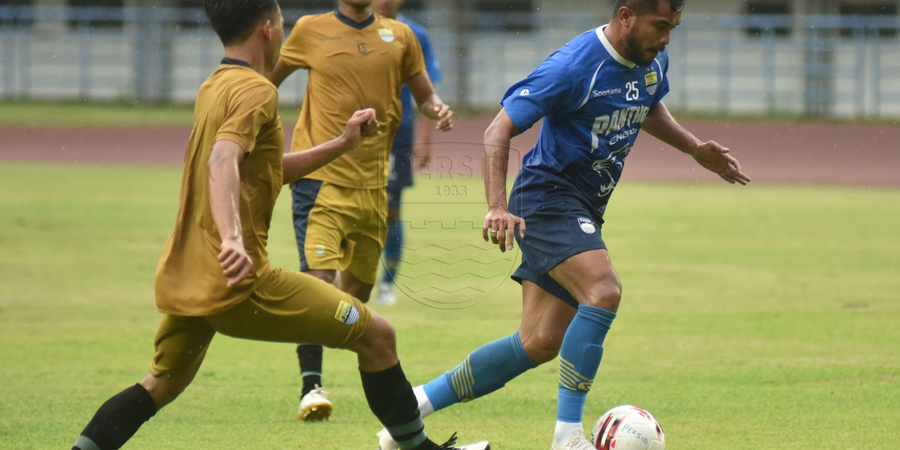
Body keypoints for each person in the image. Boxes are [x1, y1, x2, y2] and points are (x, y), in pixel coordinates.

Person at [70, 2, 474, 449]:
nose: (283, 28)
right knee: (377, 334)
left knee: (158, 386)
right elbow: (222, 159)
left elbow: (263, 169)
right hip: (239, 282)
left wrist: (341, 143)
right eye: (281, 20)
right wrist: (232, 240)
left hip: (190, 272)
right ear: (267, 28)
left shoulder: (214, 84)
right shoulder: (257, 91)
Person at [377, 1, 752, 449]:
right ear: (627, 15)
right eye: (660, 26)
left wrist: (694, 149)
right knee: (603, 291)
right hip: (546, 198)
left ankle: (409, 410)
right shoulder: (574, 66)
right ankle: (568, 438)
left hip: (583, 206)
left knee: (537, 341)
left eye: (673, 27)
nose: (667, 38)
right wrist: (496, 206)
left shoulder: (651, 58)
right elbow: (497, 131)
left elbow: (647, 104)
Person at [266, 0, 453, 422]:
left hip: (373, 186)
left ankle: (365, 375)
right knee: (317, 284)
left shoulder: (401, 36)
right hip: (320, 182)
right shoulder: (309, 30)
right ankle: (310, 387)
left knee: (356, 300)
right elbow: (266, 82)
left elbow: (424, 94)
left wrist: (437, 109)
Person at [370, 0, 443, 306]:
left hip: (397, 134)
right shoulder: (350, 30)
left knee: (391, 209)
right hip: (355, 134)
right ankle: (338, 274)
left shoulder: (415, 34)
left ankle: (387, 283)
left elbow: (428, 93)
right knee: (349, 204)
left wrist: (424, 140)